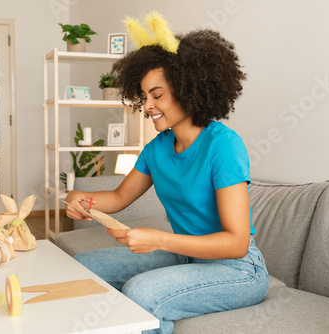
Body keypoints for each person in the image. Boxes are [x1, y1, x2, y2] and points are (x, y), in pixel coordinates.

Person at [65, 12, 269, 334]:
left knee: (141, 292)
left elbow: (237, 243)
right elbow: (118, 197)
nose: (147, 106)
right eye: (144, 96)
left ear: (189, 88)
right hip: (182, 256)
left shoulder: (224, 146)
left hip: (238, 270)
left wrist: (158, 239)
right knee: (84, 269)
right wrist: (79, 198)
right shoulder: (157, 148)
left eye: (156, 95)